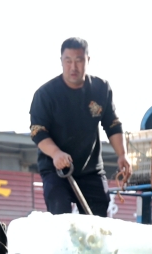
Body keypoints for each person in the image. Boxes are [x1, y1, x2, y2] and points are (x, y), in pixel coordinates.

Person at [29, 37, 128, 217]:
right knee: (60, 213)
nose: (73, 67)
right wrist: (56, 153)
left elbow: (112, 124)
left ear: (87, 60)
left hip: (90, 169)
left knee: (97, 220)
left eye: (79, 60)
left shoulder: (101, 89)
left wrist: (122, 154)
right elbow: (37, 131)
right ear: (61, 62)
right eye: (68, 61)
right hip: (56, 168)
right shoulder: (46, 94)